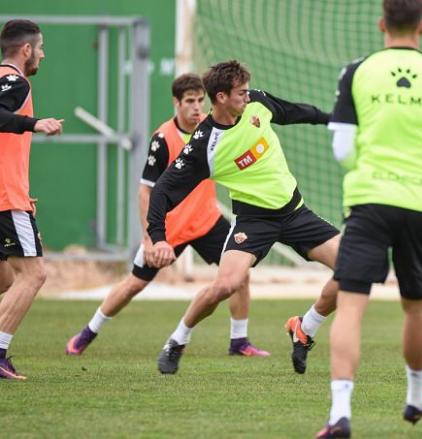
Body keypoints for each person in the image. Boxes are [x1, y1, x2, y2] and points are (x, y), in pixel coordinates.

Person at [315, 0, 422, 436]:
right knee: (416, 307)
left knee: (351, 306)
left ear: (381, 23)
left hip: (368, 201)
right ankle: (416, 396)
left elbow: (341, 149)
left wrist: (367, 169)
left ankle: (339, 414)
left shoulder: (357, 71)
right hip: (421, 206)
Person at [146, 60, 341, 375]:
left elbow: (292, 111)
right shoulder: (204, 144)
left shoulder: (258, 103)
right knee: (226, 285)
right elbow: (162, 191)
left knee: (354, 269)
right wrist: (157, 237)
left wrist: (333, 119)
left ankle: (304, 328)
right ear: (221, 97)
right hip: (253, 222)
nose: (247, 97)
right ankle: (177, 341)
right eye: (240, 93)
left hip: (295, 212)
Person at [65, 74, 269, 358]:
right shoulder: (163, 139)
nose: (197, 107)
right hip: (170, 228)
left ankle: (239, 341)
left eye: (200, 100)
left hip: (207, 221)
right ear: (176, 102)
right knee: (133, 285)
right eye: (189, 101)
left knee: (240, 275)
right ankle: (87, 333)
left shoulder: (214, 129)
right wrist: (148, 239)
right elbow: (144, 192)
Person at [0, 19, 64, 380]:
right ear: (26, 50)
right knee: (33, 274)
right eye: (39, 48)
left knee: (5, 279)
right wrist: (34, 123)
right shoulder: (14, 80)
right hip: (5, 197)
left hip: (9, 193)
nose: (41, 54)